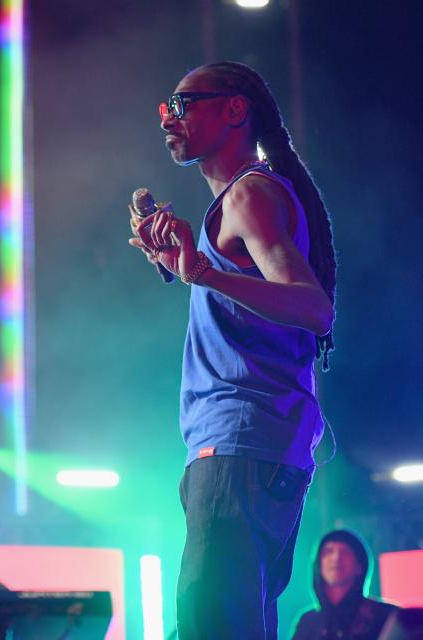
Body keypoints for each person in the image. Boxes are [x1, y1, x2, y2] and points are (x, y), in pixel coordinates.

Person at [128, 62, 337, 639]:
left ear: (234, 110)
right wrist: (187, 269)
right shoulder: (241, 200)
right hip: (252, 448)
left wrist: (205, 275)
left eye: (183, 102)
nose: (168, 117)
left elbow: (314, 309)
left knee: (208, 627)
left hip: (240, 445)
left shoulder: (250, 195)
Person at [292, 530, 399, 640]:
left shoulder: (386, 615)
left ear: (359, 566)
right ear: (318, 565)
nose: (336, 558)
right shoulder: (308, 622)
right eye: (328, 552)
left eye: (345, 552)